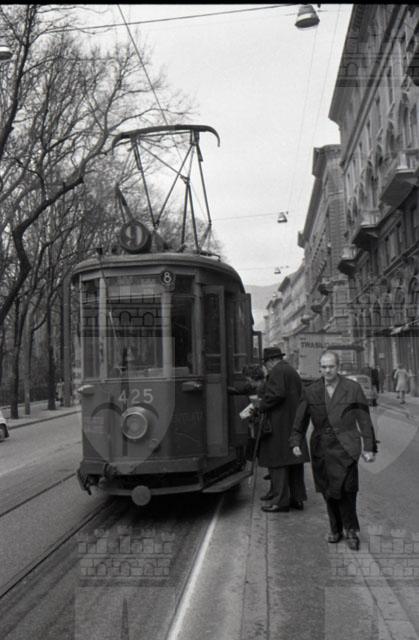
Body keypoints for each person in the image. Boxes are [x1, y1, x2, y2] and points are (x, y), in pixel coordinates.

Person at [290, 350, 378, 551]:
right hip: (321, 447)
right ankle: (335, 529)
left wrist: (369, 447)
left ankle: (351, 530)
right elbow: (300, 420)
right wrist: (295, 442)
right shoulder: (311, 391)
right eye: (324, 367)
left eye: (331, 366)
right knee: (328, 490)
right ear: (319, 368)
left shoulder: (352, 388)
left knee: (348, 489)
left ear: (338, 367)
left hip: (347, 445)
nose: (328, 370)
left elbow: (364, 419)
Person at [257, 346, 310, 513]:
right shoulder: (291, 370)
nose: (266, 367)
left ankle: (280, 502)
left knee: (278, 461)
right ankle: (297, 498)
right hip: (293, 422)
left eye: (265, 364)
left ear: (271, 361)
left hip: (280, 423)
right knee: (294, 462)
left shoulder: (277, 371)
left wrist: (261, 404)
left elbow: (277, 394)